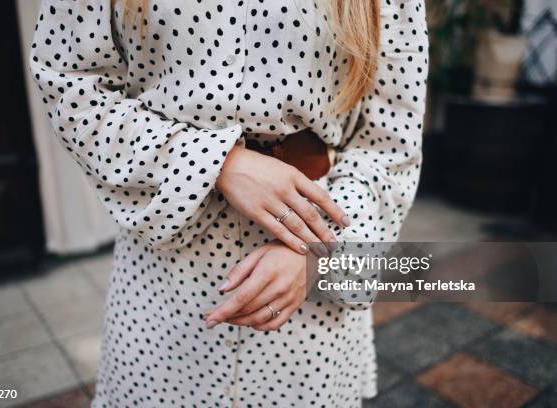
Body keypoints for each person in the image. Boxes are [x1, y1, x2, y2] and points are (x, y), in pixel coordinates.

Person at [30, 0, 428, 406]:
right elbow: (70, 85)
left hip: (309, 285)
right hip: (165, 280)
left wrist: (317, 250)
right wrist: (216, 164)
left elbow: (390, 145)